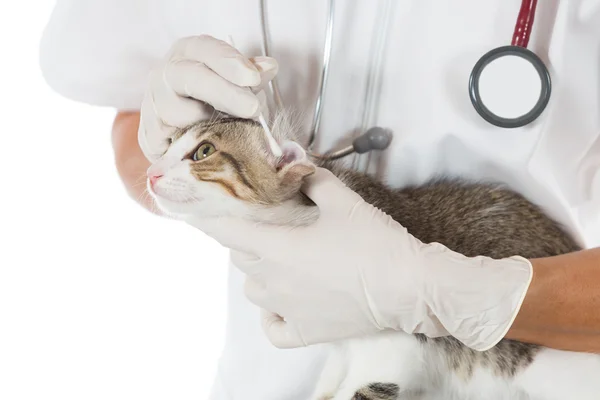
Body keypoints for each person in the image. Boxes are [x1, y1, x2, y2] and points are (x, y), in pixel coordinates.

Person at [40, 1, 600, 398]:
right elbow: (130, 122)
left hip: (533, 362)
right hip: (264, 376)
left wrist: (464, 295)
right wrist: (173, 154)